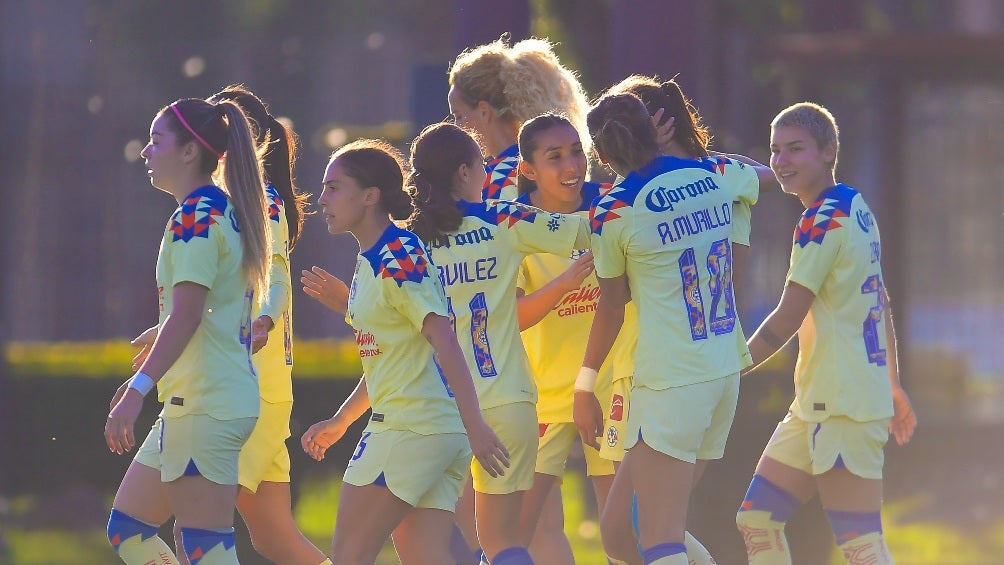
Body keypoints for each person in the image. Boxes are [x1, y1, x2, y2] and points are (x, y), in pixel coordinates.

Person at [579, 75, 778, 565]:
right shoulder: (715, 174)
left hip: (672, 378)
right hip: (721, 369)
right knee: (619, 533)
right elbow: (765, 174)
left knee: (658, 534)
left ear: (602, 154)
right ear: (655, 129)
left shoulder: (613, 209)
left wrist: (585, 384)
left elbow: (613, 302)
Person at [298, 139, 509, 564]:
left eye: (334, 188)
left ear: (370, 196)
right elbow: (389, 360)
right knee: (424, 555)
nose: (321, 199)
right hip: (424, 430)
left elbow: (444, 339)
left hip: (411, 430)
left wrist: (476, 426)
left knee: (349, 556)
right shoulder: (373, 257)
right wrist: (341, 420)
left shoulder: (398, 253)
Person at [736, 102, 917, 565]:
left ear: (829, 151)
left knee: (860, 545)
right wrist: (892, 384)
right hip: (818, 405)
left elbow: (787, 316)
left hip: (843, 406)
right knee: (757, 520)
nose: (782, 162)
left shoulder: (823, 219)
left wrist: (727, 367)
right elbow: (879, 302)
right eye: (776, 151)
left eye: (796, 149)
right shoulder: (854, 205)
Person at [404, 122, 592, 564]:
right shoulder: (502, 218)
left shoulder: (407, 244)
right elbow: (587, 231)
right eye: (484, 166)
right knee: (502, 541)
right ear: (467, 172)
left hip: (436, 407)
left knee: (422, 539)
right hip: (509, 402)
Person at [104, 96, 272, 565]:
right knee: (129, 531)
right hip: (195, 403)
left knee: (205, 547)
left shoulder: (197, 215)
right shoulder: (220, 210)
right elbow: (199, 311)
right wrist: (160, 334)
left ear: (189, 152)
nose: (146, 151)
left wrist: (139, 388)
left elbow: (190, 314)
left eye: (156, 141)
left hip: (207, 405)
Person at [509, 113, 626, 565]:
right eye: (554, 156)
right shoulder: (516, 226)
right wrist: (562, 286)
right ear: (528, 169)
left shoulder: (611, 208)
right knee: (515, 533)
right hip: (544, 399)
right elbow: (513, 317)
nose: (571, 164)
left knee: (623, 534)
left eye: (577, 151)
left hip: (612, 389)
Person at [448, 35, 591, 201]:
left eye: (459, 116)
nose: (457, 126)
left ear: (484, 111)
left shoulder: (485, 183)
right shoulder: (555, 169)